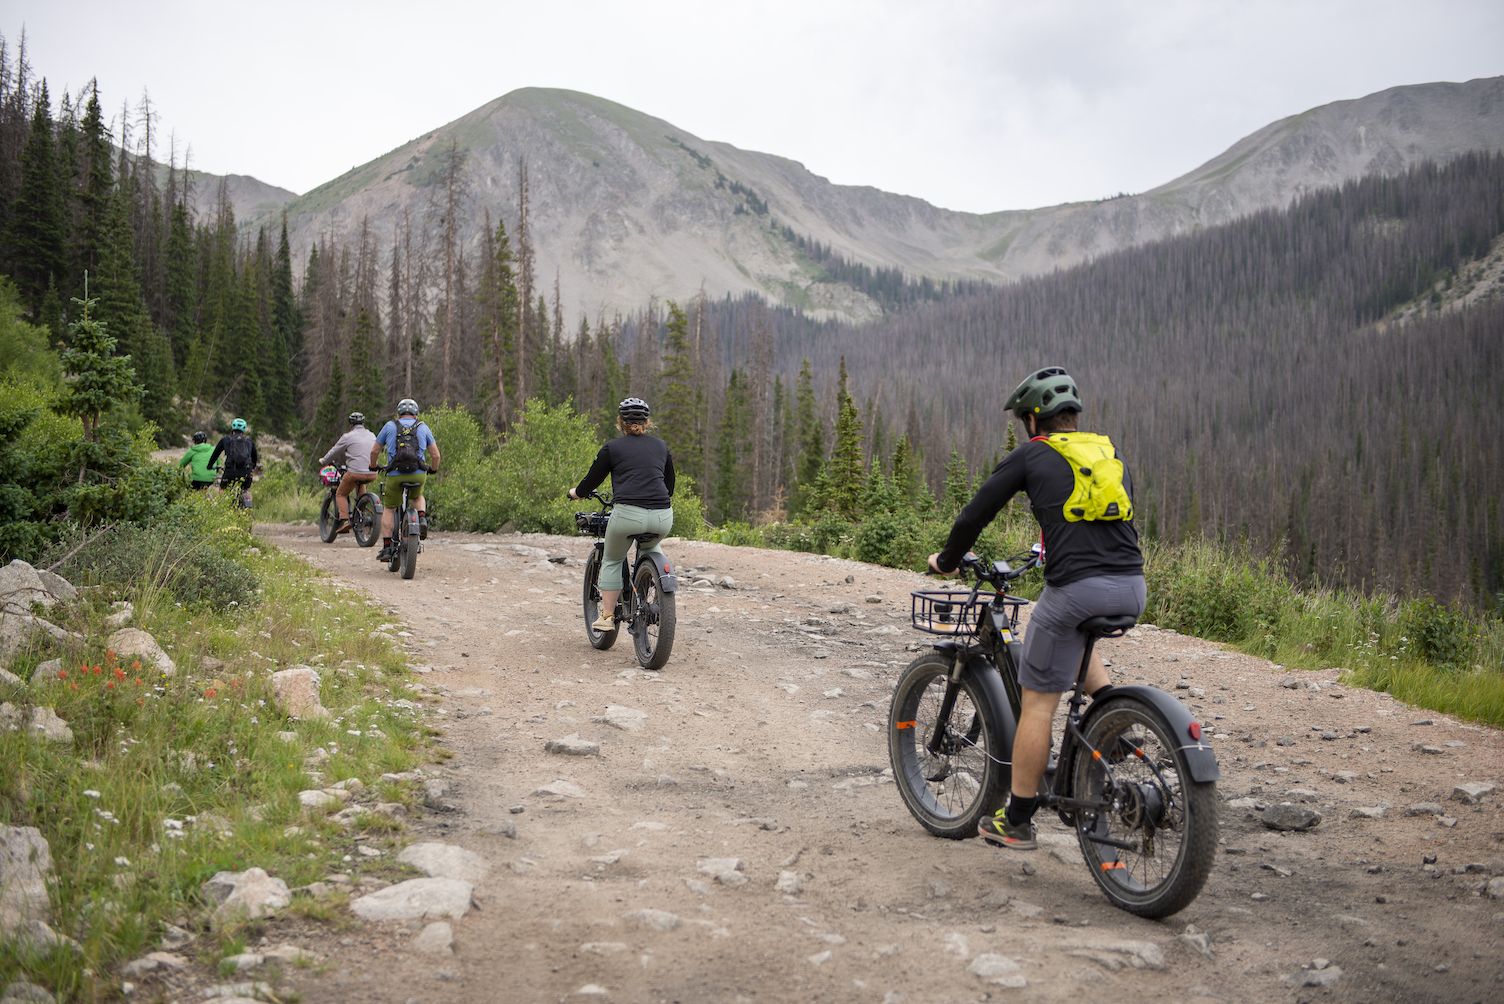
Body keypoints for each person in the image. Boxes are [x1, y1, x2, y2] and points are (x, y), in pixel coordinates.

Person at [927, 366, 1145, 851]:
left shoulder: (1032, 454)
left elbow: (974, 513)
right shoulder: (1107, 454)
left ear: (1032, 419)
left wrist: (946, 561)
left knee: (1038, 701)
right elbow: (1105, 521)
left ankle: (1018, 819)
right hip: (1131, 586)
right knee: (1075, 642)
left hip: (1077, 591)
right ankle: (1121, 729)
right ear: (1073, 416)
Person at [568, 397, 676, 633]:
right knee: (650, 547)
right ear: (647, 422)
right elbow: (670, 487)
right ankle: (656, 589)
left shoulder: (612, 448)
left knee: (613, 558)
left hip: (627, 515)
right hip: (662, 516)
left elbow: (591, 481)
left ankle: (606, 616)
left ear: (620, 422)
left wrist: (576, 493)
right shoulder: (661, 446)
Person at [370, 398, 441, 562]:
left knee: (389, 508)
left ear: (398, 413)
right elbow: (436, 455)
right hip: (418, 473)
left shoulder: (390, 426)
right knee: (417, 496)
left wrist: (373, 466)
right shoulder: (423, 427)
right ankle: (421, 518)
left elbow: (374, 451)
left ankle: (387, 547)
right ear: (416, 414)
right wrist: (433, 468)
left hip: (395, 474)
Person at [319, 412, 379, 534]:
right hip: (372, 472)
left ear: (351, 424)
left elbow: (334, 451)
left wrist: (324, 460)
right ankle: (362, 510)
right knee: (361, 484)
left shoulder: (348, 436)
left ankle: (346, 519)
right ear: (363, 423)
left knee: (340, 493)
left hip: (355, 472)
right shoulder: (372, 435)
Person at [209, 418, 259, 508]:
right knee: (246, 489)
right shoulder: (249, 441)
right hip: (246, 472)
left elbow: (215, 454)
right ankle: (248, 509)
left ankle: (222, 508)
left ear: (232, 427)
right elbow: (254, 458)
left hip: (230, 471)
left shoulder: (225, 439)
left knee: (222, 489)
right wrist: (252, 468)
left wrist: (209, 466)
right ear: (244, 429)